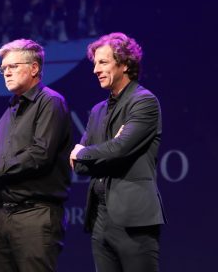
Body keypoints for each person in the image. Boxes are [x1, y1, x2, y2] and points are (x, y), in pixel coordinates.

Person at [0, 39, 73, 272]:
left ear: (34, 68)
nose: (6, 73)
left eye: (13, 67)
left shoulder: (50, 102)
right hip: (4, 215)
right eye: (3, 69)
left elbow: (39, 155)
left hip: (36, 214)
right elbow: (1, 161)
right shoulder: (9, 113)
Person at [70, 32, 166, 272]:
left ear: (124, 64)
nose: (95, 70)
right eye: (95, 64)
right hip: (100, 218)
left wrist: (84, 152)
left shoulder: (144, 102)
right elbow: (80, 166)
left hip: (133, 219)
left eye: (103, 62)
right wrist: (99, 152)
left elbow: (120, 148)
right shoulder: (97, 110)